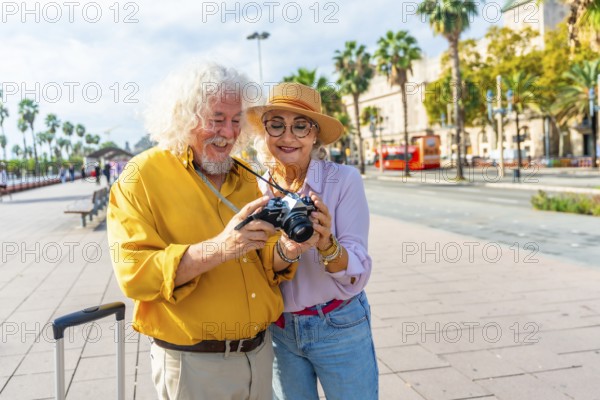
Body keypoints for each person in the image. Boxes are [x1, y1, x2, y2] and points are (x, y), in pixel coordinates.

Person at [107, 63, 310, 400]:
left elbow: (264, 262)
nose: (228, 133)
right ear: (184, 118)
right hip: (195, 368)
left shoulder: (246, 176)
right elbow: (136, 274)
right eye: (216, 119)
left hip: (260, 358)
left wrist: (289, 249)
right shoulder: (141, 176)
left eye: (235, 121)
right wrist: (220, 248)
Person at [244, 82, 378, 400]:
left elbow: (357, 266)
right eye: (276, 124)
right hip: (279, 330)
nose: (287, 137)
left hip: (339, 322)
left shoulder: (343, 179)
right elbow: (250, 263)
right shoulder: (252, 188)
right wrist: (286, 250)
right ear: (264, 132)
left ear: (315, 134)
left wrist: (326, 243)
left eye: (300, 126)